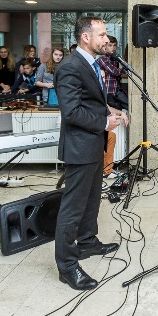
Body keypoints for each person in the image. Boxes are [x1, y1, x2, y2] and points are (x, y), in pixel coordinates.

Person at [54, 16, 125, 290]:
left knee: (92, 200)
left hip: (94, 144)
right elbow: (71, 111)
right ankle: (68, 266)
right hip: (80, 147)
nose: (106, 39)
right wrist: (103, 122)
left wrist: (110, 112)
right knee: (72, 209)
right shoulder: (70, 67)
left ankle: (87, 242)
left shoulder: (90, 63)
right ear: (86, 37)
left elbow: (90, 102)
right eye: (102, 34)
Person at [97, 36, 127, 111]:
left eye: (115, 45)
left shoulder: (115, 58)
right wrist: (124, 70)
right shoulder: (102, 58)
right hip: (108, 92)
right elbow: (114, 71)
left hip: (117, 90)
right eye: (110, 45)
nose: (113, 48)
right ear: (105, 46)